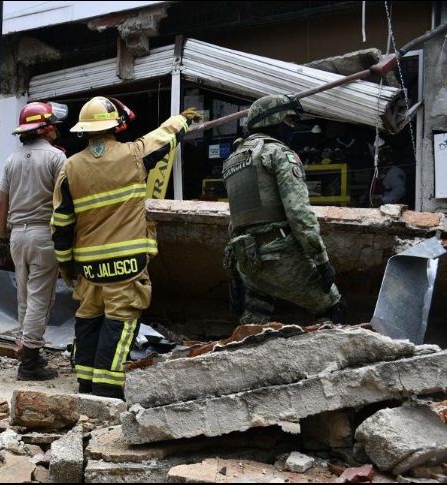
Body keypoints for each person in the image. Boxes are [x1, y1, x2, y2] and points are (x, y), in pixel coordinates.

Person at [51, 96, 202, 399]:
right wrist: (186, 118)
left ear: (84, 131)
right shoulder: (134, 155)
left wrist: (67, 266)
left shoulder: (70, 167)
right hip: (126, 262)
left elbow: (61, 225)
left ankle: (85, 383)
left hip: (89, 266)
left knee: (90, 317)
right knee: (120, 322)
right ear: (116, 126)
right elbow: (165, 136)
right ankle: (107, 390)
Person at [222, 94, 346, 326]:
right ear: (273, 120)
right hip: (279, 256)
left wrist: (236, 273)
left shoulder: (234, 159)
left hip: (247, 261)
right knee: (334, 307)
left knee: (253, 324)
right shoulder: (279, 154)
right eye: (289, 120)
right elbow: (298, 213)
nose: (293, 126)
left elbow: (236, 221)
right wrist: (321, 260)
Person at [0, 101, 68, 381]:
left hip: (16, 236)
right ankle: (30, 362)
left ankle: (26, 347)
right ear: (46, 128)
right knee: (40, 298)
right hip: (43, 235)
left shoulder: (12, 160)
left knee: (24, 296)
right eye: (54, 126)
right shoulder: (56, 158)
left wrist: (2, 236)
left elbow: (2, 202)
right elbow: (65, 201)